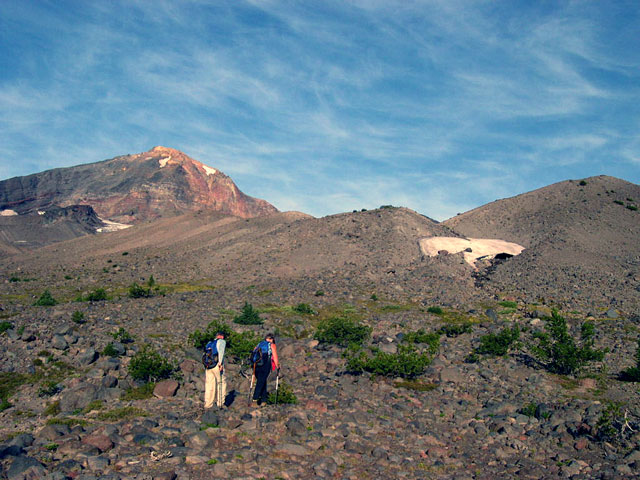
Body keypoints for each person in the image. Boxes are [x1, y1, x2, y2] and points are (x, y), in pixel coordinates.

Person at [252, 333, 280, 406]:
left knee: (262, 381)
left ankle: (264, 400)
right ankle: (255, 399)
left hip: (257, 365)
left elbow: (253, 352)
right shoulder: (272, 345)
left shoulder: (259, 344)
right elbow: (275, 355)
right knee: (261, 382)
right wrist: (277, 365)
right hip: (266, 365)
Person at [204, 332, 227, 410]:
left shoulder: (210, 343)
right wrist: (220, 363)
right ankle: (220, 403)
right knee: (221, 383)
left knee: (209, 385)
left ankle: (208, 404)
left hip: (208, 366)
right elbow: (221, 352)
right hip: (217, 365)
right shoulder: (221, 342)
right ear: (221, 336)